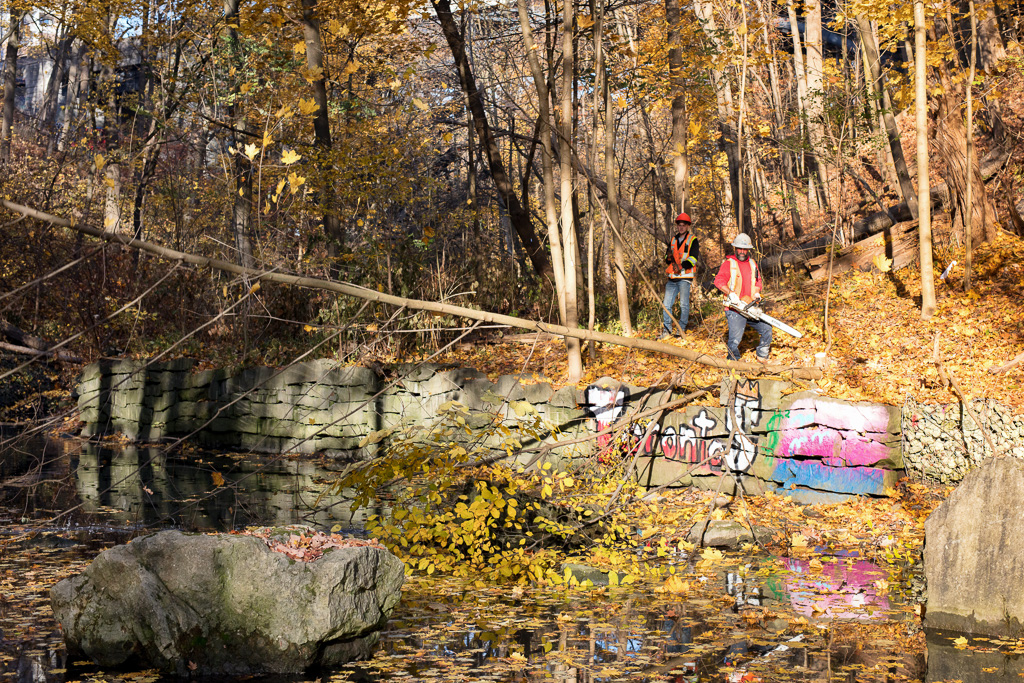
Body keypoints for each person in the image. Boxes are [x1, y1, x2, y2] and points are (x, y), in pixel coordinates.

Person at [714, 233, 772, 362]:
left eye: (744, 249)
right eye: (739, 248)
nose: (742, 251)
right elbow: (718, 281)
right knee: (735, 339)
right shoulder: (729, 264)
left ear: (748, 250)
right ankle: (733, 362)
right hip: (735, 308)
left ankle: (762, 356)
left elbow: (758, 281)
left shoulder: (752, 263)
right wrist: (730, 293)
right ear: (735, 248)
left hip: (750, 306)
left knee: (767, 329)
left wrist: (757, 292)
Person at [661, 212, 700, 339]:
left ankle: (681, 330)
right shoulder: (673, 240)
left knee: (684, 304)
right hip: (672, 278)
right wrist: (668, 258)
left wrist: (682, 266)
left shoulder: (693, 240)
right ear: (677, 226)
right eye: (679, 225)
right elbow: (666, 257)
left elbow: (693, 258)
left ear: (688, 226)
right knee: (666, 305)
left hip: (685, 277)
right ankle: (667, 331)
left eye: (684, 225)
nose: (681, 227)